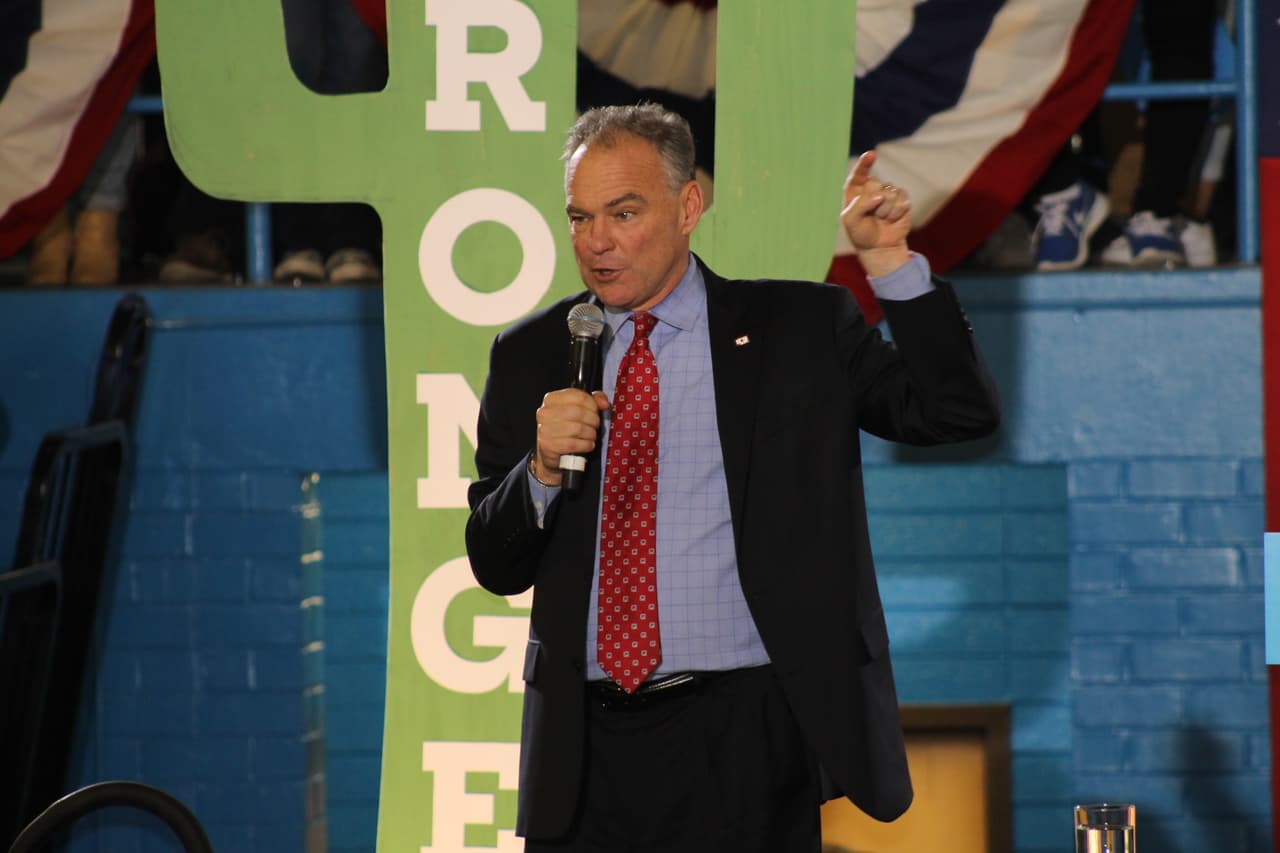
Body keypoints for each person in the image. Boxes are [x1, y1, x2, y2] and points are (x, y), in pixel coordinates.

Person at [464, 104, 1000, 851]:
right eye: (580, 218)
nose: (597, 241)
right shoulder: (530, 352)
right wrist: (541, 470)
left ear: (688, 207)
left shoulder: (799, 329)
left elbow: (954, 412)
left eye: (624, 213)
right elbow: (494, 562)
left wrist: (888, 261)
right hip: (582, 753)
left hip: (746, 737)